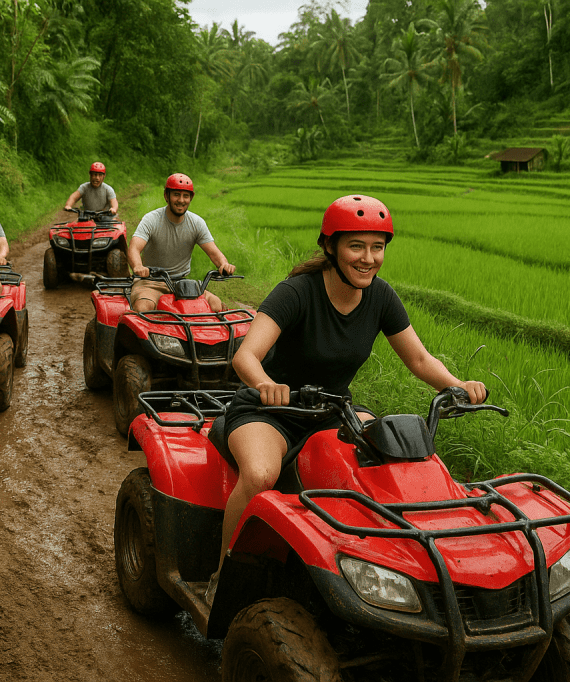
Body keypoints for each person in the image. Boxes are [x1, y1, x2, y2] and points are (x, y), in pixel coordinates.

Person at [208, 194, 487, 602]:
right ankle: (225, 576)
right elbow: (246, 355)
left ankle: (395, 577)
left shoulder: (380, 296)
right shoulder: (297, 292)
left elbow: (420, 358)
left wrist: (457, 384)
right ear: (331, 247)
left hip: (333, 410)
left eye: (378, 247)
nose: (368, 258)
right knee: (260, 475)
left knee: (394, 463)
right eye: (356, 246)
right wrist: (266, 383)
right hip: (271, 410)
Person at [127, 173, 235, 313]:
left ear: (191, 198)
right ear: (166, 196)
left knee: (216, 305)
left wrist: (224, 265)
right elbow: (134, 248)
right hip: (150, 282)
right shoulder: (151, 219)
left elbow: (214, 253)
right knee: (143, 308)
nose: (181, 200)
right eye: (176, 194)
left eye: (186, 196)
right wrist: (138, 267)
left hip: (183, 284)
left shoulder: (197, 223)